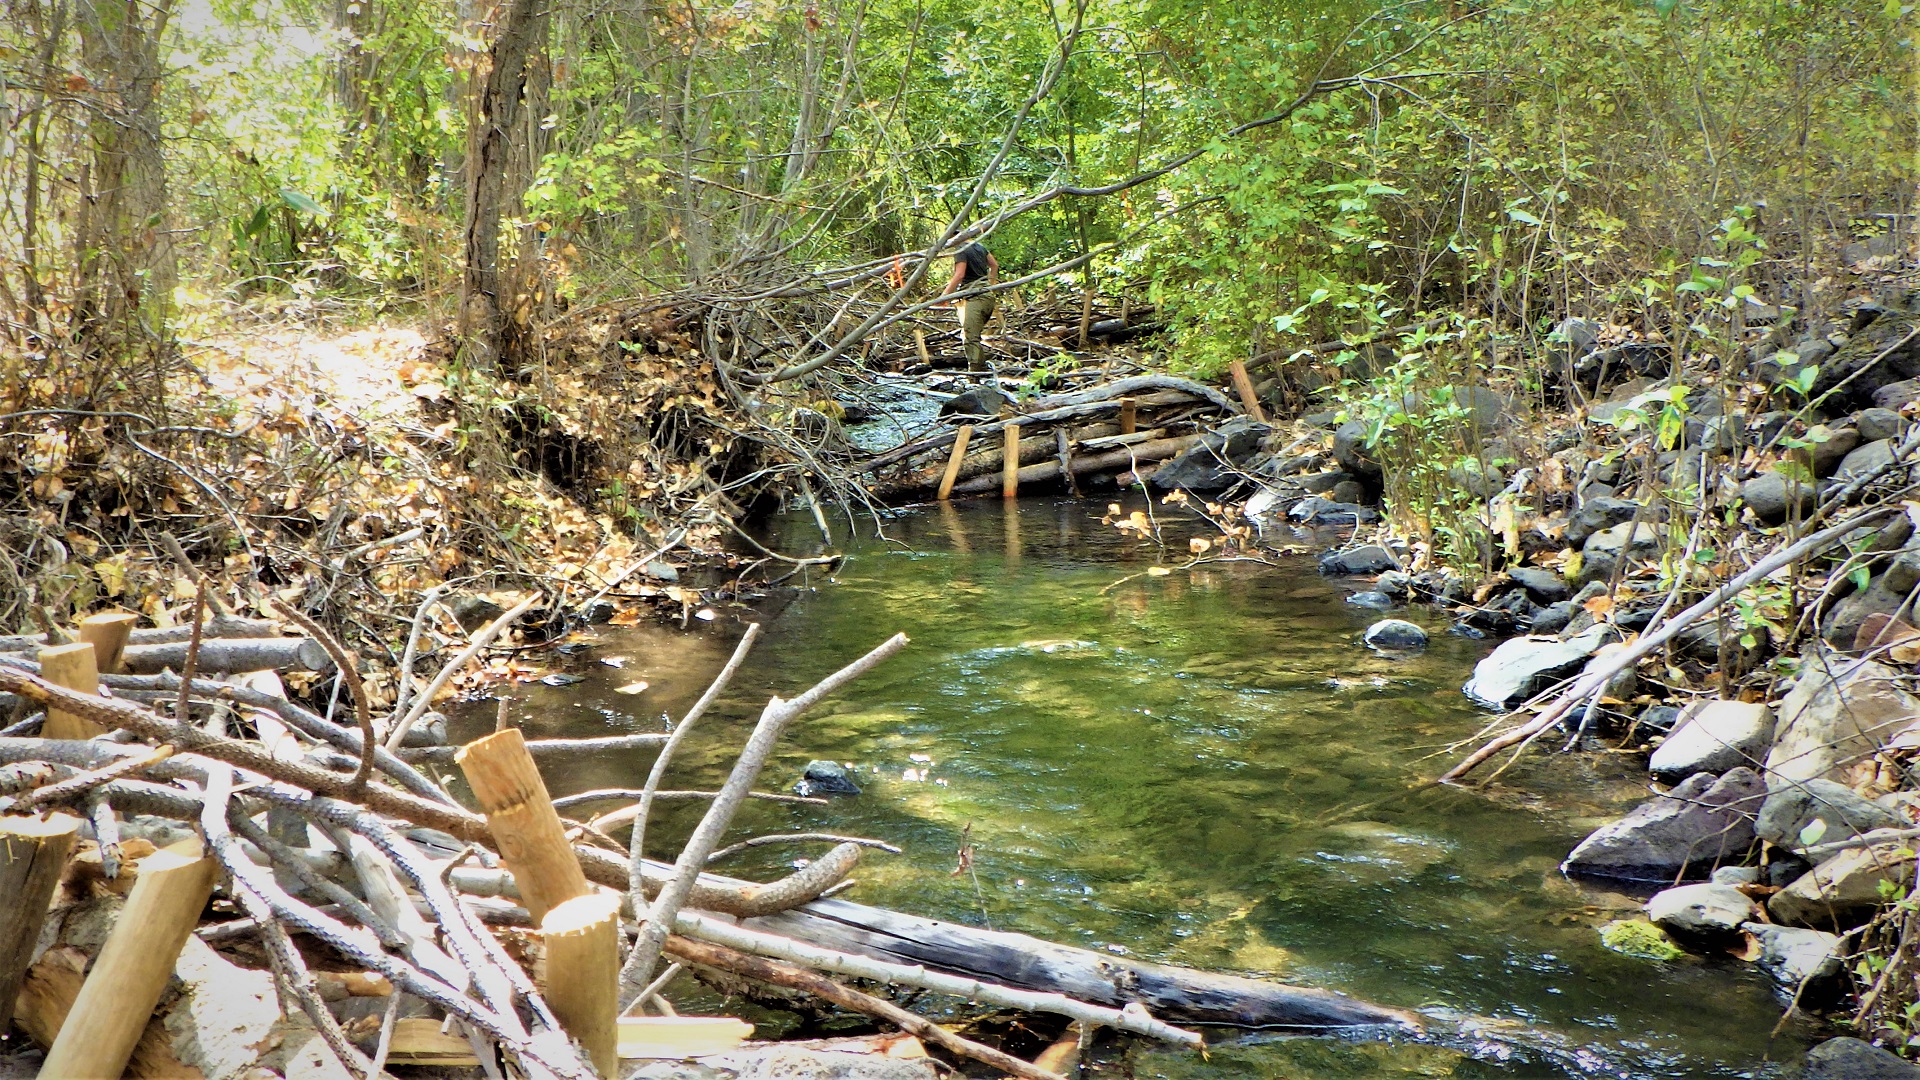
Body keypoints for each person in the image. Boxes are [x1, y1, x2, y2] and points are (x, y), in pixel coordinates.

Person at [941, 240, 998, 373]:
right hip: (987, 297)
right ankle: (982, 371)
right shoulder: (980, 246)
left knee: (969, 337)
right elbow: (994, 265)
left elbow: (959, 275)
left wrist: (944, 296)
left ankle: (975, 375)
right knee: (971, 336)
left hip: (974, 298)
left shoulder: (961, 248)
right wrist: (990, 285)